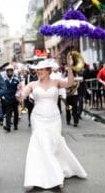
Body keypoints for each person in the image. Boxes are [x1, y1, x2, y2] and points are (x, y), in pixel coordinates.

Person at [17, 58, 87, 190]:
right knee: (40, 144)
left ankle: (56, 171)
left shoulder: (56, 82)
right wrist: (20, 91)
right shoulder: (32, 84)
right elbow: (22, 96)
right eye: (38, 70)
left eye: (42, 69)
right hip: (37, 118)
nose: (39, 72)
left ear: (48, 71)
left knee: (53, 144)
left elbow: (70, 83)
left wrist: (70, 68)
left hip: (54, 118)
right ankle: (42, 176)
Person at [1, 65, 20, 132]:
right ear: (6, 72)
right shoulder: (4, 81)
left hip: (15, 99)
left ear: (12, 72)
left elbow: (19, 90)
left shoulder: (16, 80)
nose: (9, 72)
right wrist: (3, 98)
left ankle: (15, 125)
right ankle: (8, 127)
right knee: (8, 114)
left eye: (10, 71)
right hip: (7, 100)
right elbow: (2, 90)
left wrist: (18, 97)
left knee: (16, 113)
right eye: (8, 71)